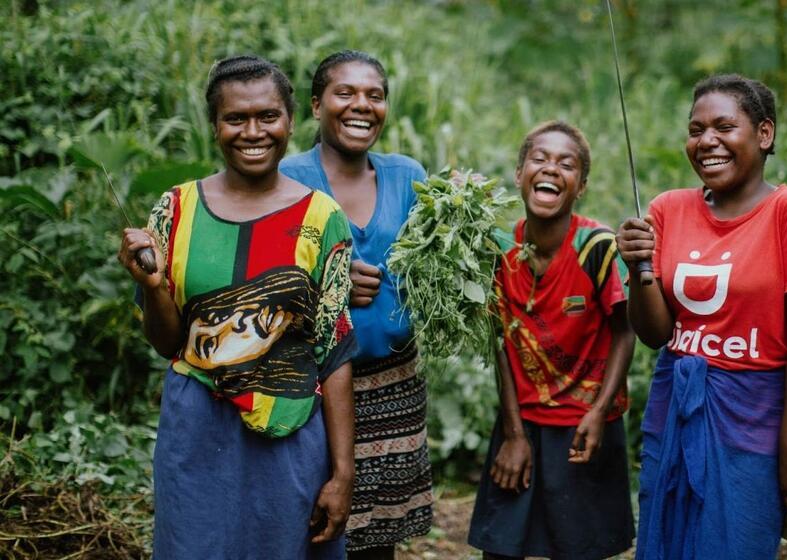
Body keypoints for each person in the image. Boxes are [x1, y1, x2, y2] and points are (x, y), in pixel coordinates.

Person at [117, 55, 357, 559]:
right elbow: (166, 342)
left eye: (268, 116)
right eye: (236, 118)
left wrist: (342, 472)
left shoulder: (323, 216)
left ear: (291, 121)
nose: (253, 132)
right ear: (215, 126)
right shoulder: (175, 209)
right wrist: (156, 287)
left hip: (290, 432)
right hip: (198, 430)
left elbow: (333, 350)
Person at [616, 74, 787, 559]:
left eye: (724, 126)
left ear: (764, 134)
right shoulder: (666, 209)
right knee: (667, 541)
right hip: (676, 403)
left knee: (737, 541)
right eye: (696, 130)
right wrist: (639, 268)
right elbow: (656, 335)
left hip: (753, 413)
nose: (706, 142)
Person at [279, 50, 431, 560]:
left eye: (375, 95)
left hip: (392, 384)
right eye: (345, 93)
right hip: (309, 386)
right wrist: (330, 287)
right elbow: (257, 278)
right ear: (317, 105)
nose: (361, 105)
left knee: (374, 542)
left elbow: (434, 268)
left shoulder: (408, 175)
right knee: (306, 523)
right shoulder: (285, 178)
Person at [467, 121, 636, 560]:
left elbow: (625, 331)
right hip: (521, 422)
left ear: (580, 185)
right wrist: (513, 434)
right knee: (500, 549)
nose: (551, 169)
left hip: (585, 427)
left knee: (580, 549)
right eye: (540, 159)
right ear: (520, 173)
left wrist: (599, 413)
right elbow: (500, 344)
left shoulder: (597, 247)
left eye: (567, 164)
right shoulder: (498, 249)